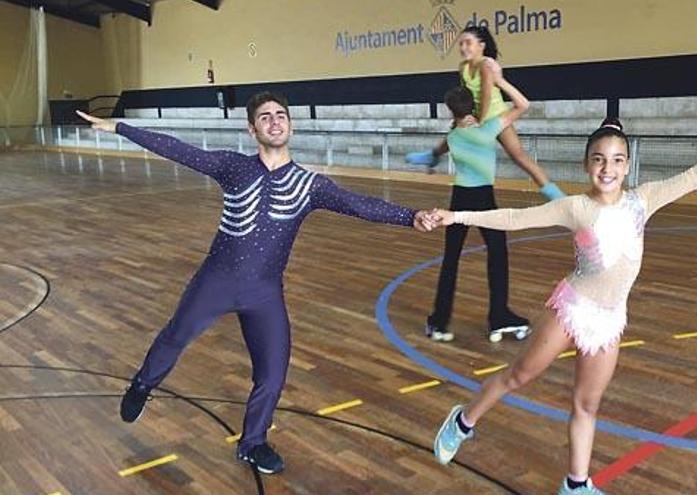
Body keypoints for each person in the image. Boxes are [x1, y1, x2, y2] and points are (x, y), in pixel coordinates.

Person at [76, 92, 436, 475]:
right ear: (252, 129)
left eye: (281, 115)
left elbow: (359, 204)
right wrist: (121, 127)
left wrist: (410, 216)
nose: (275, 121)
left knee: (273, 372)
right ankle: (143, 385)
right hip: (216, 279)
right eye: (265, 117)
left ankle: (253, 443)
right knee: (175, 336)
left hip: (264, 292)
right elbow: (178, 150)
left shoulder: (310, 184)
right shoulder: (234, 168)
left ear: (290, 126)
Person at [429, 118, 697, 494]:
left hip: (609, 319)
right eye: (599, 159)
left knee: (586, 405)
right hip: (571, 309)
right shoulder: (576, 208)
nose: (608, 168)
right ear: (587, 165)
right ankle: (462, 422)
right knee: (518, 376)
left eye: (617, 160)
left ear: (628, 165)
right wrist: (456, 216)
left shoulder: (644, 200)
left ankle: (576, 485)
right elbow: (515, 218)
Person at [426, 59, 542, 343]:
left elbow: (439, 148)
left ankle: (439, 322)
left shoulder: (453, 137)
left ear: (451, 111)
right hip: (484, 198)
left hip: (459, 200)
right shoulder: (488, 128)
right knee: (498, 255)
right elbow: (523, 104)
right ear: (473, 106)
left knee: (451, 260)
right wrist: (499, 81)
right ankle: (499, 317)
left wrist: (431, 158)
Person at [407, 25, 565, 201]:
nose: (463, 47)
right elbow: (466, 93)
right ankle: (432, 156)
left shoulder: (486, 65)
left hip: (495, 115)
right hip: (475, 114)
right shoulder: (463, 67)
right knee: (451, 138)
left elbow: (486, 95)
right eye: (461, 44)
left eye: (468, 43)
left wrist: (480, 121)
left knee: (519, 156)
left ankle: (554, 193)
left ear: (481, 46)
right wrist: (460, 119)